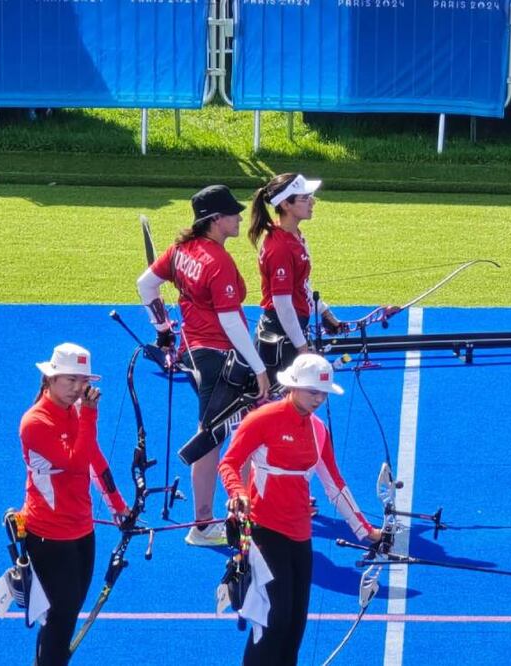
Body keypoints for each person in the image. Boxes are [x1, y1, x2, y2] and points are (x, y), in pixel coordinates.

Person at [219, 353, 380, 665]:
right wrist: (237, 491)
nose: (319, 398)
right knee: (272, 620)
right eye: (313, 392)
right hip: (264, 530)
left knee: (295, 625)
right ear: (293, 387)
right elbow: (229, 462)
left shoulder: (319, 431)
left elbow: (335, 484)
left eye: (323, 393)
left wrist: (366, 531)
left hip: (300, 535)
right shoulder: (262, 419)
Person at [136, 184, 271, 547]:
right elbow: (230, 322)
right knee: (214, 436)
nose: (240, 217)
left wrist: (162, 329)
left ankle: (234, 509)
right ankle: (203, 523)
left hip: (197, 352)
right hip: (222, 358)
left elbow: (146, 285)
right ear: (215, 221)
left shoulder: (182, 250)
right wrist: (258, 367)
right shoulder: (217, 262)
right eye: (232, 213)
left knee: (232, 429)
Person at [19, 343, 129, 665]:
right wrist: (90, 414)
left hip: (82, 531)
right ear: (49, 380)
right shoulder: (35, 422)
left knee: (65, 614)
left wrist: (118, 505)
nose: (79, 389)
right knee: (60, 617)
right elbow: (76, 462)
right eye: (70, 380)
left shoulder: (75, 413)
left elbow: (95, 457)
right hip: (49, 537)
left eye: (83, 381)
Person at [248, 173, 347, 376]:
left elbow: (301, 285)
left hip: (289, 331)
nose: (313, 202)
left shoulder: (293, 235)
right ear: (286, 205)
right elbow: (283, 304)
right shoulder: (281, 247)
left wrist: (325, 312)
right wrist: (302, 349)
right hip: (282, 334)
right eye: (305, 198)